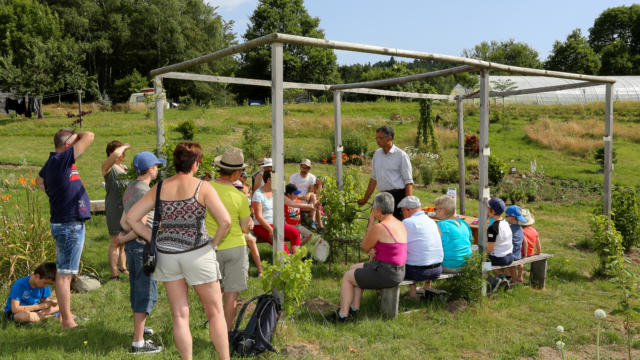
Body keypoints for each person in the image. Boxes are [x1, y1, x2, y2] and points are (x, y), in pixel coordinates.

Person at [126, 142, 231, 360]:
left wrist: (153, 238)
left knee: (180, 315)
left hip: (168, 256)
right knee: (215, 312)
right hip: (198, 252)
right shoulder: (203, 187)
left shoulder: (160, 187)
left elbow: (132, 219)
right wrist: (214, 244)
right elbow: (226, 222)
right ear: (196, 164)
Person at [36, 128, 94, 329]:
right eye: (73, 142)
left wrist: (57, 195)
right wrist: (78, 135)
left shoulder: (53, 162)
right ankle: (67, 321)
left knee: (64, 273)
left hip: (66, 222)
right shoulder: (61, 159)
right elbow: (90, 135)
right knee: (65, 275)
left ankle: (65, 316)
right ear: (68, 145)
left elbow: (39, 180)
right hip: (70, 224)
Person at [331, 192, 407, 322]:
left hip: (386, 273)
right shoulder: (400, 223)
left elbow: (365, 246)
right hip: (398, 270)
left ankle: (343, 315)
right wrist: (372, 249)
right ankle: (354, 309)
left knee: (347, 277)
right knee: (354, 268)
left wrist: (371, 223)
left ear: (377, 210)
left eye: (373, 208)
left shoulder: (380, 227)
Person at [118, 151, 165, 354]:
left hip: (132, 248)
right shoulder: (145, 191)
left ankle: (140, 327)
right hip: (141, 247)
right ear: (149, 169)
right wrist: (127, 238)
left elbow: (123, 221)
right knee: (145, 292)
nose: (157, 169)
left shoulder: (130, 188)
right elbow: (141, 223)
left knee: (137, 287)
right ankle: (138, 343)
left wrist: (123, 239)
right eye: (156, 166)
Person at [205, 147, 252, 331]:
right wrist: (249, 226)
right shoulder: (240, 197)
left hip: (210, 246)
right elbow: (244, 227)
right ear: (237, 173)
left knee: (215, 292)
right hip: (235, 247)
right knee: (231, 295)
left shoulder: (206, 188)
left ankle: (214, 325)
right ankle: (227, 333)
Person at [358, 126, 413, 220]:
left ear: (390, 138)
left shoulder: (401, 155)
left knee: (397, 228)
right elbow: (373, 179)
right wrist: (365, 199)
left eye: (381, 138)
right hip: (384, 197)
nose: (378, 141)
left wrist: (407, 204)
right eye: (377, 138)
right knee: (383, 227)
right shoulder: (377, 154)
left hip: (398, 197)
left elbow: (408, 182)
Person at [398, 196, 443, 298]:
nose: (403, 215)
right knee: (420, 250)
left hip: (417, 272)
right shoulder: (431, 221)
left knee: (403, 257)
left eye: (402, 211)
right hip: (437, 270)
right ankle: (426, 288)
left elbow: (398, 245)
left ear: (407, 210)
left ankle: (413, 294)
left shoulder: (407, 223)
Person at [252, 170, 301, 254]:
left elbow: (291, 203)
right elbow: (258, 217)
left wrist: (311, 206)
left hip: (275, 224)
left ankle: (296, 259)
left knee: (295, 233)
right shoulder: (258, 194)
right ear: (269, 180)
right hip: (261, 226)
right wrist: (271, 229)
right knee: (279, 241)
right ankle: (287, 262)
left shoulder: (274, 192)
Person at [102, 140, 130, 280]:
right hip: (114, 208)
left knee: (123, 241)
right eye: (121, 152)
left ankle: (123, 267)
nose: (123, 154)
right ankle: (114, 274)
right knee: (115, 241)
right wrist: (123, 146)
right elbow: (114, 157)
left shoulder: (124, 168)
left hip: (125, 209)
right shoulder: (107, 167)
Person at [433, 195, 473, 273]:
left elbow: (432, 247)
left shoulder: (440, 225)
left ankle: (427, 285)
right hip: (466, 264)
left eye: (435, 209)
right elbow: (470, 242)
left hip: (449, 266)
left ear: (443, 211)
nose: (434, 211)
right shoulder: (463, 223)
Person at [289, 159, 324, 232]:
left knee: (314, 197)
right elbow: (291, 192)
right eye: (302, 167)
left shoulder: (312, 177)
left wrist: (308, 194)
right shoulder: (294, 177)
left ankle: (313, 222)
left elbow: (312, 191)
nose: (304, 169)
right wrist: (302, 197)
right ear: (300, 166)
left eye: (306, 168)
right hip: (296, 199)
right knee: (315, 202)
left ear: (309, 169)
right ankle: (319, 225)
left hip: (307, 201)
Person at [487, 197, 513, 275]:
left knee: (483, 262)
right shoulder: (506, 223)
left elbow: (490, 249)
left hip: (499, 258)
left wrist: (481, 252)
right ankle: (507, 279)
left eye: (488, 208)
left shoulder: (493, 228)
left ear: (493, 211)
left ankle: (495, 279)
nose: (487, 210)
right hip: (510, 256)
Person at [505, 205, 527, 282]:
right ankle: (520, 277)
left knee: (510, 266)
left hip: (511, 256)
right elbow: (525, 241)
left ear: (511, 217)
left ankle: (513, 281)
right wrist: (525, 254)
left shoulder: (509, 229)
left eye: (506, 216)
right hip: (518, 255)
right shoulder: (520, 228)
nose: (506, 218)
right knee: (518, 263)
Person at [519, 208, 541, 282]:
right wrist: (538, 252)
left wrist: (524, 255)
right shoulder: (534, 230)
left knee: (518, 262)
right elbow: (538, 242)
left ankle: (519, 276)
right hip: (531, 253)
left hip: (522, 254)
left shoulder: (520, 231)